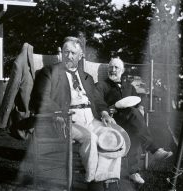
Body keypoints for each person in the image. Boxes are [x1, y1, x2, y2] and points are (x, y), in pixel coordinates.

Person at [30, 36, 126, 189]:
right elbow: (41, 99)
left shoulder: (86, 77)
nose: (69, 56)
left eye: (73, 53)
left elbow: (97, 100)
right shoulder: (48, 72)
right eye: (66, 52)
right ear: (61, 53)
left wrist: (105, 114)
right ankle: (93, 182)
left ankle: (108, 178)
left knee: (113, 135)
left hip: (90, 118)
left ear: (80, 55)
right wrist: (59, 113)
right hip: (66, 119)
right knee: (91, 138)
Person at [96, 57, 173, 184]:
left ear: (122, 70)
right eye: (111, 67)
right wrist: (107, 110)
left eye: (116, 67)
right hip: (112, 120)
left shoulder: (129, 86)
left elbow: (137, 100)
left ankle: (134, 172)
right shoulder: (101, 85)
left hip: (130, 119)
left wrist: (141, 107)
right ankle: (154, 150)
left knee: (135, 125)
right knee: (134, 118)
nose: (113, 70)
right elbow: (97, 101)